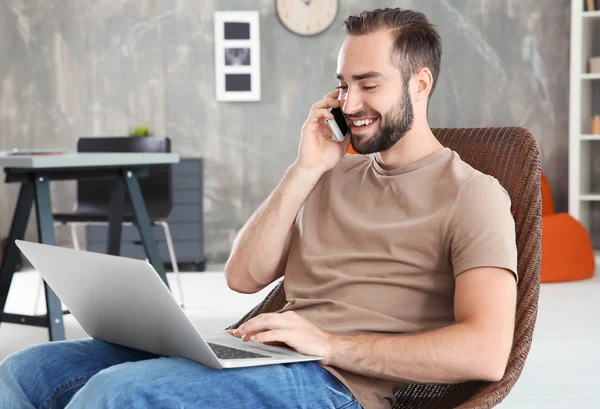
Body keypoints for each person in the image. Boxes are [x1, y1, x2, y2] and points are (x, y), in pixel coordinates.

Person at [0, 7, 518, 409]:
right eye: (343, 85)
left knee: (120, 393)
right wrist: (304, 169)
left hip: (336, 384)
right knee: (24, 369)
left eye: (368, 84)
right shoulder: (330, 172)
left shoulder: (473, 194)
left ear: (420, 83)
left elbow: (486, 351)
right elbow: (244, 278)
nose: (350, 103)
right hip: (262, 356)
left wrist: (329, 344)